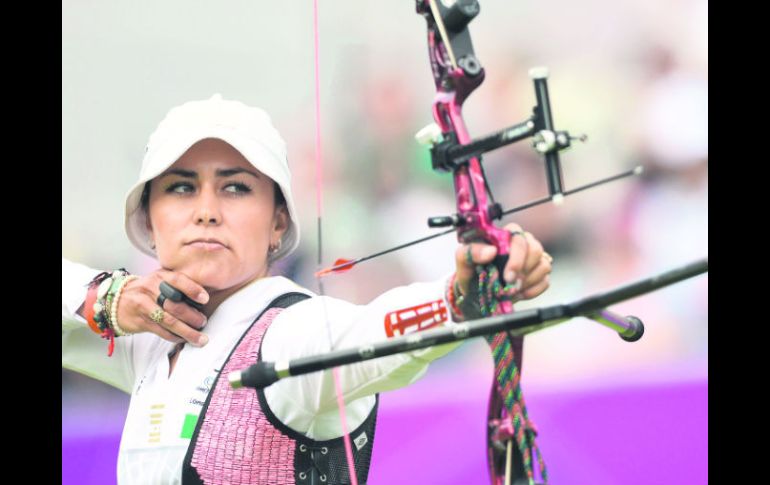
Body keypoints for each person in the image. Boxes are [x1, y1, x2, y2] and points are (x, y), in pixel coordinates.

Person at [61, 94, 552, 484]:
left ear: (278, 222)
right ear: (149, 218)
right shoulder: (144, 338)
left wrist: (459, 298)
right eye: (182, 188)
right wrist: (100, 298)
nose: (206, 210)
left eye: (235, 187)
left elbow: (373, 332)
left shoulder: (294, 331)